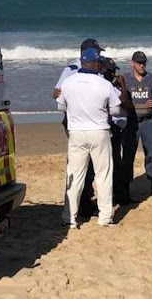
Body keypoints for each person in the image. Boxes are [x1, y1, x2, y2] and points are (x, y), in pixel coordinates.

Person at [57, 47, 121, 229]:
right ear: (94, 64)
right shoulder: (103, 84)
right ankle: (105, 217)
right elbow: (116, 109)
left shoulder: (69, 82)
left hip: (77, 132)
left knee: (75, 176)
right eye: (99, 62)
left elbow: (60, 106)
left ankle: (69, 217)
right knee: (103, 175)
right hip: (99, 131)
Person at [53, 38, 105, 217]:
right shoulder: (71, 70)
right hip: (76, 120)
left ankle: (85, 199)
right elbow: (56, 93)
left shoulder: (97, 69)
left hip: (93, 120)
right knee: (79, 162)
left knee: (90, 162)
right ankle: (79, 202)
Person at [122, 51, 152, 197]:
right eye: (139, 63)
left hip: (148, 121)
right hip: (131, 123)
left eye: (144, 63)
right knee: (128, 155)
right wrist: (125, 102)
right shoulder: (124, 79)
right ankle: (125, 187)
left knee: (151, 153)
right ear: (132, 63)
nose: (142, 65)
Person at [100, 57, 136, 205]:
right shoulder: (103, 87)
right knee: (112, 162)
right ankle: (117, 195)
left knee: (117, 163)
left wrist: (121, 85)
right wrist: (122, 84)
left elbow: (126, 101)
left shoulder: (114, 87)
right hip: (110, 128)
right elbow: (122, 101)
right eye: (111, 71)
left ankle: (120, 193)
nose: (113, 73)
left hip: (118, 129)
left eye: (114, 71)